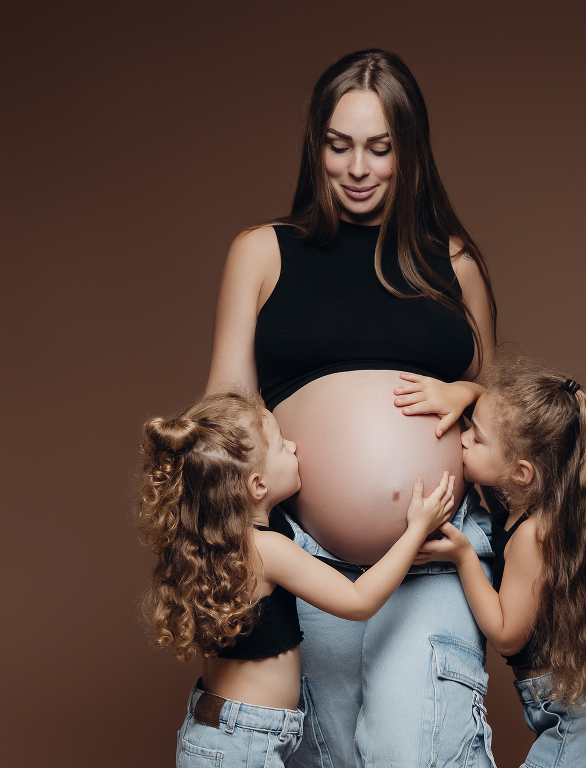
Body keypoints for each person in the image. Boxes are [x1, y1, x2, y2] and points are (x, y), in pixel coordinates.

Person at [204, 50, 499, 767]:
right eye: (339, 147)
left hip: (435, 551)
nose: (357, 169)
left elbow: (510, 421)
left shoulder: (452, 264)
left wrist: (471, 393)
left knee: (413, 749)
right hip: (301, 555)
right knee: (326, 753)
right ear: (317, 147)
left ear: (410, 152)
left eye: (379, 149)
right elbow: (220, 414)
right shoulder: (262, 253)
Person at [137, 391, 456, 768]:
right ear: (257, 486)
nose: (293, 446)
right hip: (244, 743)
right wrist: (415, 531)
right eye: (280, 445)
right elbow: (357, 600)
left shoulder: (212, 544)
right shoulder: (265, 549)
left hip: (222, 732)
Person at [397, 360, 586, 768]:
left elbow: (506, 636)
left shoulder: (533, 536)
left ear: (521, 472)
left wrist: (465, 556)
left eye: (475, 438)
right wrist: (463, 393)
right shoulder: (521, 496)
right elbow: (495, 417)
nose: (462, 439)